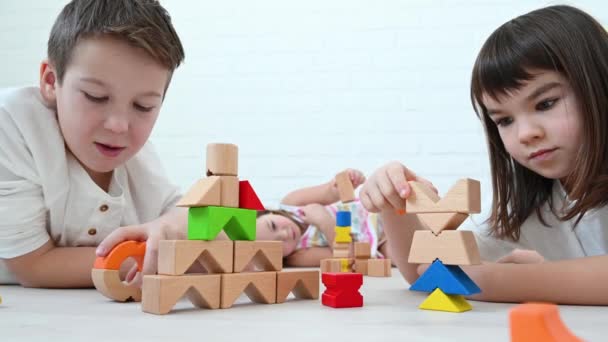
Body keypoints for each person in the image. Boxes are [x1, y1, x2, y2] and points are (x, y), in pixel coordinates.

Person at [359, 5, 608, 304]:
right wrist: (393, 203)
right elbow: (426, 271)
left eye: (545, 104)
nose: (525, 133)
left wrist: (502, 280)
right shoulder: (530, 210)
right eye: (504, 120)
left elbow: (479, 278)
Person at [0, 0, 187, 287]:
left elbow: (184, 211)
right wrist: (154, 259)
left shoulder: (141, 162)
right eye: (96, 97)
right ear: (51, 81)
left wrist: (172, 225)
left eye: (143, 106)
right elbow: (33, 264)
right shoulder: (13, 122)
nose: (118, 125)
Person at [256, 169, 392, 266]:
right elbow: (347, 257)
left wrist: (343, 183)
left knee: (393, 199)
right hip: (377, 244)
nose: (284, 233)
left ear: (270, 213)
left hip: (372, 210)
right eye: (278, 244)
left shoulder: (292, 204)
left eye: (273, 225)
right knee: (401, 258)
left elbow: (328, 192)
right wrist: (324, 221)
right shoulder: (298, 255)